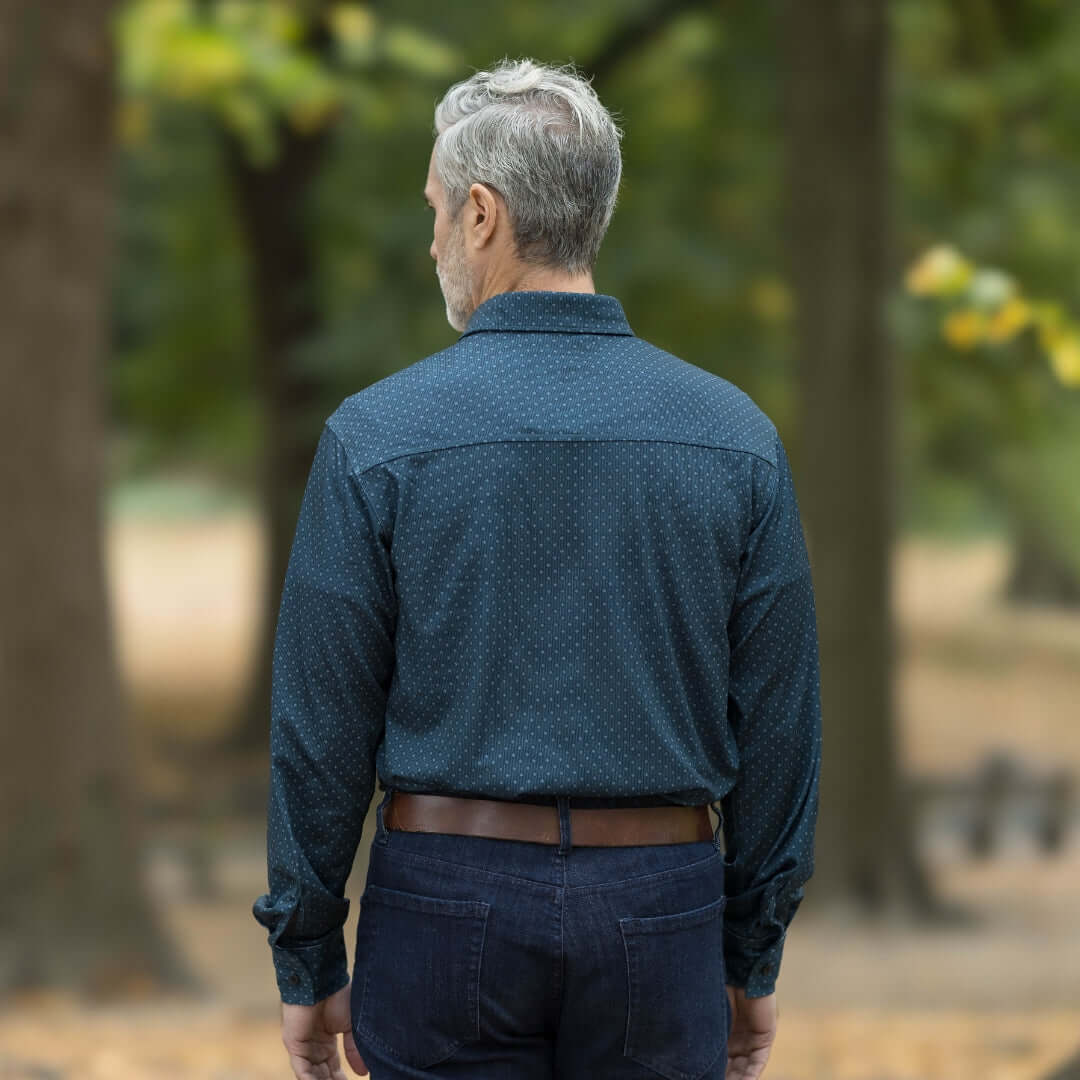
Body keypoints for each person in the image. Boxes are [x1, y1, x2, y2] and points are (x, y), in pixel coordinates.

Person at [252, 57, 822, 1080]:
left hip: (441, 905)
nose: (429, 239)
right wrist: (750, 955)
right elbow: (780, 727)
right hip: (662, 913)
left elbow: (319, 728)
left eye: (433, 210)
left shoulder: (376, 438)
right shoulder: (735, 439)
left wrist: (306, 955)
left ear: (481, 215)